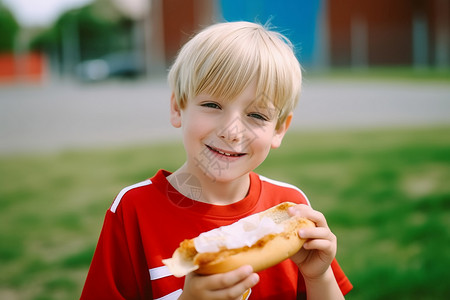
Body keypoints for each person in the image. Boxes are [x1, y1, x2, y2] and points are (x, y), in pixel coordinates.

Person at [81, 21, 353, 299]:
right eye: (213, 105)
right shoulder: (133, 209)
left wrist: (319, 275)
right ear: (178, 107)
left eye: (257, 115)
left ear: (279, 129)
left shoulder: (291, 207)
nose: (231, 132)